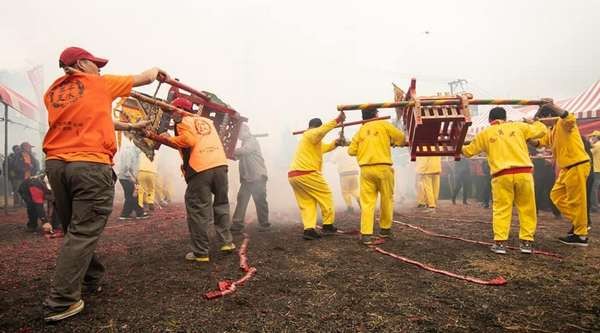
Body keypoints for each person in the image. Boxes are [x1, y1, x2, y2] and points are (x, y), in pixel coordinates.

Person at [42, 46, 166, 322]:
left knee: (77, 226)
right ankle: (62, 301)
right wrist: (158, 72)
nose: (100, 69)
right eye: (96, 63)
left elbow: (96, 118)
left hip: (57, 165)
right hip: (89, 165)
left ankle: (92, 276)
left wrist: (131, 127)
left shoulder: (53, 92)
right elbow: (144, 77)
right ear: (82, 63)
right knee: (84, 231)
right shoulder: (99, 83)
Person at [462, 107, 547, 254]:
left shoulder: (485, 133)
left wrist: (458, 146)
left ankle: (500, 244)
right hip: (524, 173)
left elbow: (468, 152)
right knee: (527, 208)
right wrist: (534, 121)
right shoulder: (518, 126)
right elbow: (541, 131)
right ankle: (526, 243)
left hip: (501, 176)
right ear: (505, 118)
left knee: (501, 209)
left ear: (490, 120)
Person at [164, 97, 235, 262]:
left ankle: (201, 252)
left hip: (201, 167)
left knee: (198, 209)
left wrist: (169, 138)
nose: (171, 114)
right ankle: (227, 243)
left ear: (179, 110)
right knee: (221, 204)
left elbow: (189, 141)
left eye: (172, 110)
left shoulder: (183, 120)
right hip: (220, 165)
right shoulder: (206, 121)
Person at [529, 102, 591, 246]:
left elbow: (569, 117)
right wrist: (524, 136)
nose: (543, 124)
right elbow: (540, 143)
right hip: (566, 168)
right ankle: (580, 223)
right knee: (556, 195)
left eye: (543, 120)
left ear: (550, 116)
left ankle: (581, 236)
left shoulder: (564, 123)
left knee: (577, 201)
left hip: (577, 165)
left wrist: (551, 105)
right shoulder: (553, 130)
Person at [348, 108, 405, 244]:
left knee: (367, 203)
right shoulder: (383, 124)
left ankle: (366, 234)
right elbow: (401, 139)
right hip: (384, 168)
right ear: (376, 114)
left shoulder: (360, 131)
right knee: (387, 199)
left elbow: (351, 151)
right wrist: (391, 142)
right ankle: (385, 230)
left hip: (366, 170)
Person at [288, 112, 345, 240]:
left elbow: (325, 147)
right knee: (326, 195)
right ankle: (327, 225)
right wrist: (337, 120)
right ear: (317, 127)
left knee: (307, 202)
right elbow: (320, 132)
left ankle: (309, 229)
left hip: (294, 175)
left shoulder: (310, 141)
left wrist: (336, 143)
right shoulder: (310, 134)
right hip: (307, 173)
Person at [230, 124, 270, 233]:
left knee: (260, 200)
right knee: (242, 199)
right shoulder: (245, 142)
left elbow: (244, 151)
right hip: (247, 178)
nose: (238, 136)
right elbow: (236, 156)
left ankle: (264, 223)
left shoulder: (252, 141)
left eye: (239, 133)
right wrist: (229, 153)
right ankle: (237, 223)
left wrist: (228, 149)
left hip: (257, 176)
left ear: (246, 131)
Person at [116, 145, 147, 220]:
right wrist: (133, 178)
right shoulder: (129, 152)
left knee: (132, 195)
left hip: (128, 177)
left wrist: (135, 178)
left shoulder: (135, 153)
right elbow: (126, 167)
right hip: (126, 177)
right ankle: (130, 214)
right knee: (132, 195)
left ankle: (135, 213)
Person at [330, 147, 360, 213]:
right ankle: (359, 198)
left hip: (344, 173)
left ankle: (350, 208)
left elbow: (332, 161)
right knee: (355, 189)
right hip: (354, 172)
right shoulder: (352, 149)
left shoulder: (339, 151)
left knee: (345, 192)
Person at [589, 131, 600, 213]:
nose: (592, 138)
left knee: (594, 189)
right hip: (597, 169)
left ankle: (595, 207)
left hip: (597, 170)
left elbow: (589, 153)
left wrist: (590, 143)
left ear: (597, 137)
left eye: (593, 136)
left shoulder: (597, 145)